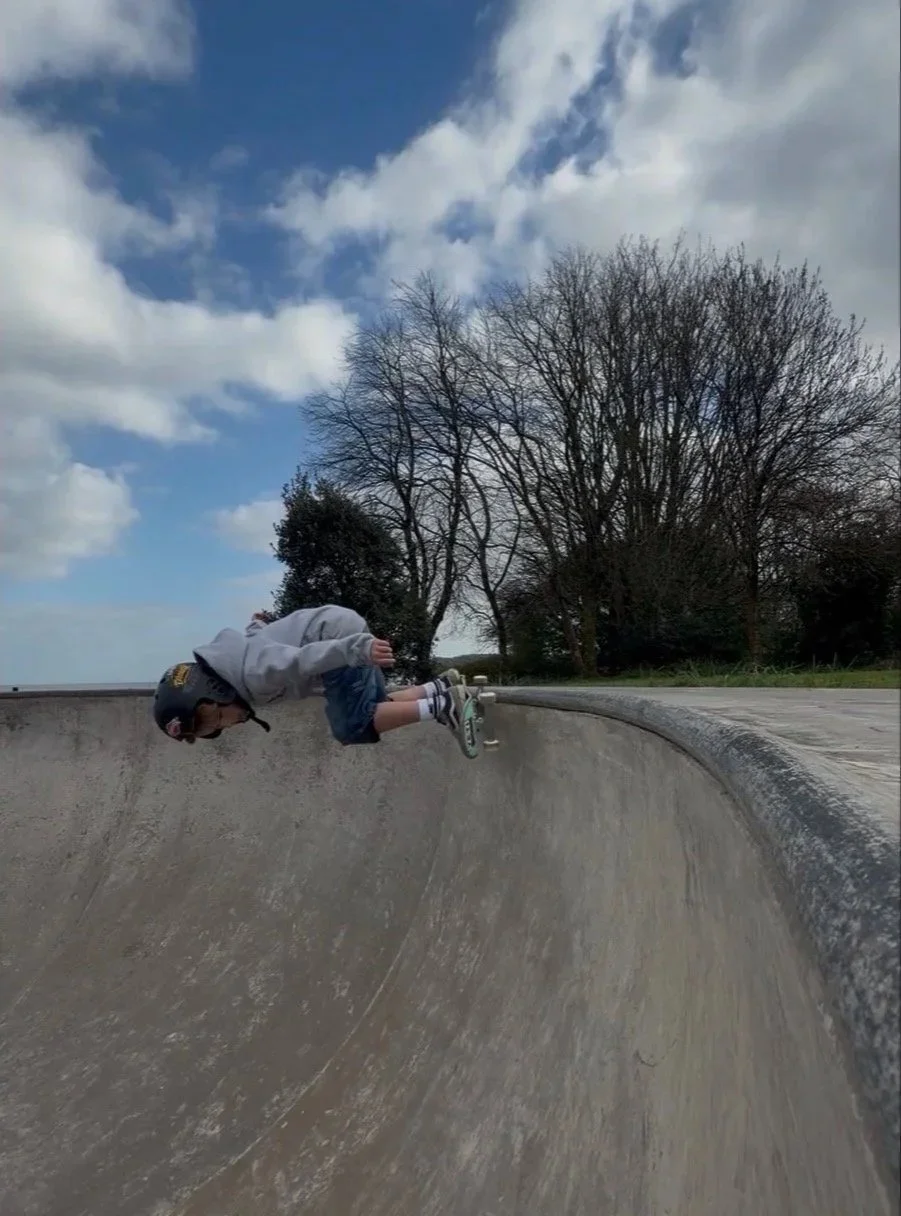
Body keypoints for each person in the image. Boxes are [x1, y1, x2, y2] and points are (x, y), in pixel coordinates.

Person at [151, 604, 468, 751]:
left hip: (335, 638)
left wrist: (356, 649)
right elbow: (255, 640)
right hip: (335, 633)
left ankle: (445, 705)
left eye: (219, 718)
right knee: (376, 708)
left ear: (216, 691)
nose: (229, 724)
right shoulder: (238, 664)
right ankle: (437, 688)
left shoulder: (255, 674)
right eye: (219, 729)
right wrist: (259, 624)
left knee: (351, 725)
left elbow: (303, 659)